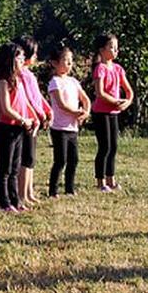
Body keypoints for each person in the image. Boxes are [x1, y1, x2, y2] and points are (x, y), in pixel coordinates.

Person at [0, 42, 39, 213]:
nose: (22, 61)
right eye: (19, 58)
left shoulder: (19, 80)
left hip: (19, 127)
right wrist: (21, 119)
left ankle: (16, 200)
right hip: (7, 128)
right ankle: (4, 202)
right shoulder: (3, 81)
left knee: (15, 167)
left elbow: (25, 102)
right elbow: (6, 108)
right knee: (5, 168)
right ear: (9, 60)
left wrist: (33, 117)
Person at [90, 33, 134, 192]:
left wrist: (127, 102)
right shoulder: (100, 69)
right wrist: (115, 101)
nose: (116, 50)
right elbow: (100, 93)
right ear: (102, 50)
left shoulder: (118, 69)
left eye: (116, 48)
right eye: (112, 47)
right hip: (101, 112)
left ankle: (111, 179)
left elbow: (129, 91)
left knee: (113, 146)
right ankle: (100, 182)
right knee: (104, 147)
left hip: (114, 112)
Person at [47, 43, 91, 197]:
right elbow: (61, 104)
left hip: (73, 128)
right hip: (59, 128)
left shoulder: (73, 81)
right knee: (60, 160)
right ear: (55, 63)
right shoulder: (55, 82)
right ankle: (53, 190)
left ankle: (69, 188)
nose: (69, 63)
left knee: (74, 159)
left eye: (71, 60)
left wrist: (86, 111)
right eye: (66, 60)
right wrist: (76, 112)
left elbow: (85, 98)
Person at [14, 36, 52, 208]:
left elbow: (37, 96)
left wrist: (47, 110)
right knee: (25, 159)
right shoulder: (21, 75)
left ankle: (29, 192)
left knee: (31, 158)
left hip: (36, 120)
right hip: (28, 120)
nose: (36, 57)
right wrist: (37, 114)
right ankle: (22, 194)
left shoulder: (29, 74)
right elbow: (28, 99)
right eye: (34, 53)